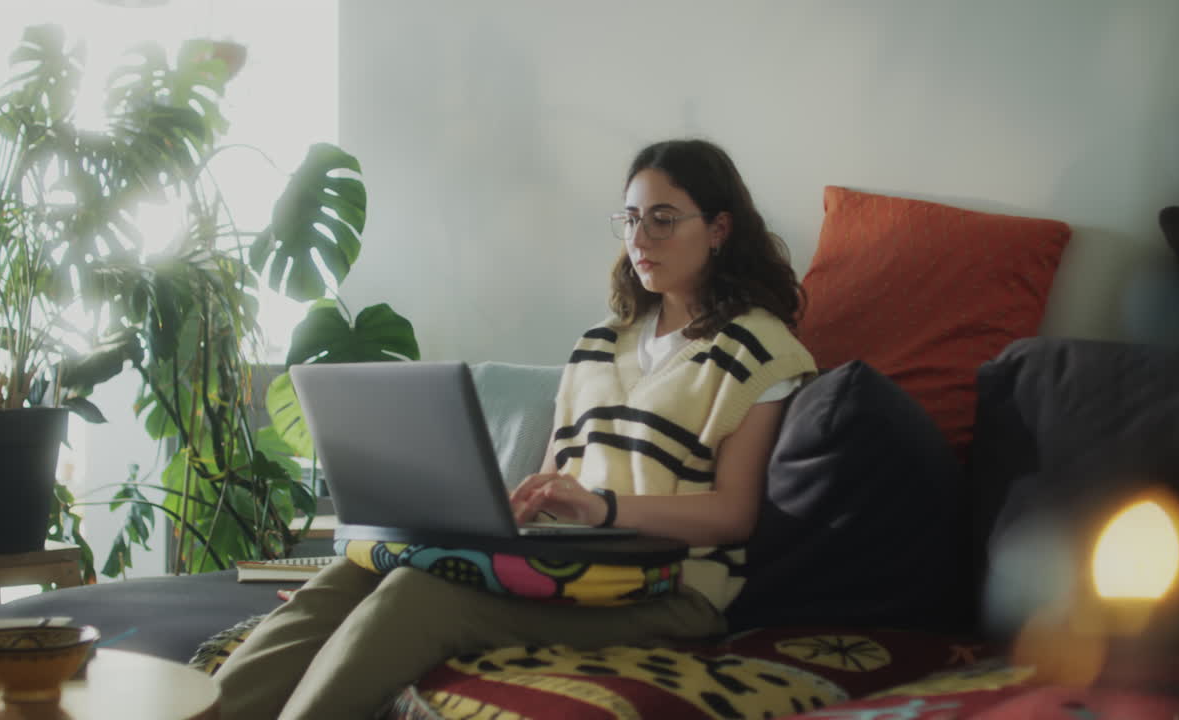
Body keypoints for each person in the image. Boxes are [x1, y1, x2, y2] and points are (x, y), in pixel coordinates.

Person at [213, 138, 817, 718]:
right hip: (570, 560)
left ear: (719, 228)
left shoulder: (760, 351)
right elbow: (557, 473)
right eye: (630, 218)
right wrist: (508, 511)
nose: (640, 238)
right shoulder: (601, 343)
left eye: (663, 218)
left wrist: (602, 510)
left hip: (672, 590)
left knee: (422, 598)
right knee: (358, 570)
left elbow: (734, 514)